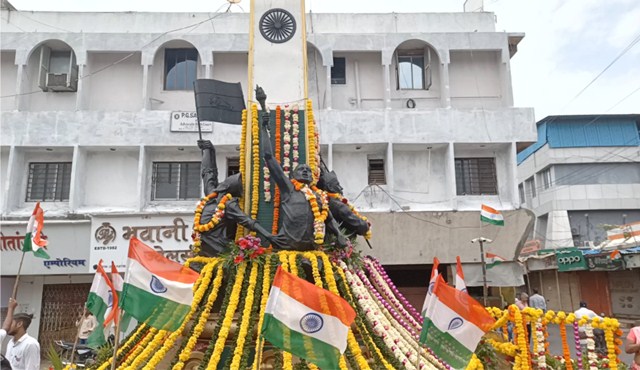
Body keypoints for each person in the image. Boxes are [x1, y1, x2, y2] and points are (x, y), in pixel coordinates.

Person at [259, 102, 348, 251]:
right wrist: (263, 127)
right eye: (301, 169)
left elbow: (329, 218)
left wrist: (338, 234)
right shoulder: (289, 189)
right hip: (286, 247)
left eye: (308, 169)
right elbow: (269, 157)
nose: (306, 171)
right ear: (293, 175)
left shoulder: (319, 196)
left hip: (311, 250)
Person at [196, 139, 284, 256]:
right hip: (215, 251)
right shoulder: (220, 199)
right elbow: (208, 172)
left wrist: (208, 150)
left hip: (210, 250)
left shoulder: (216, 198)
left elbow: (208, 173)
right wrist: (209, 150)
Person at [316, 163, 371, 239]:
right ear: (330, 187)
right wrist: (366, 225)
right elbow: (361, 226)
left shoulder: (323, 201)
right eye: (337, 184)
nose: (341, 188)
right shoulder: (336, 205)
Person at [2, 298, 40, 370]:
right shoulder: (11, 343)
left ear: (19, 324)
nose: (8, 326)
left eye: (11, 323)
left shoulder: (30, 344)